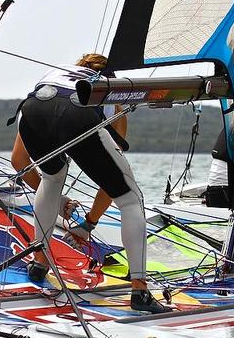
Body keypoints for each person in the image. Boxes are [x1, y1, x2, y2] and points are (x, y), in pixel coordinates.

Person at [10, 53, 169, 314]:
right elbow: (112, 181)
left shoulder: (57, 73)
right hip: (78, 115)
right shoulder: (111, 90)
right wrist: (89, 224)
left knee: (51, 178)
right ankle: (140, 290)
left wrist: (60, 202)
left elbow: (18, 160)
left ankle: (39, 263)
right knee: (130, 199)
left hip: (33, 109)